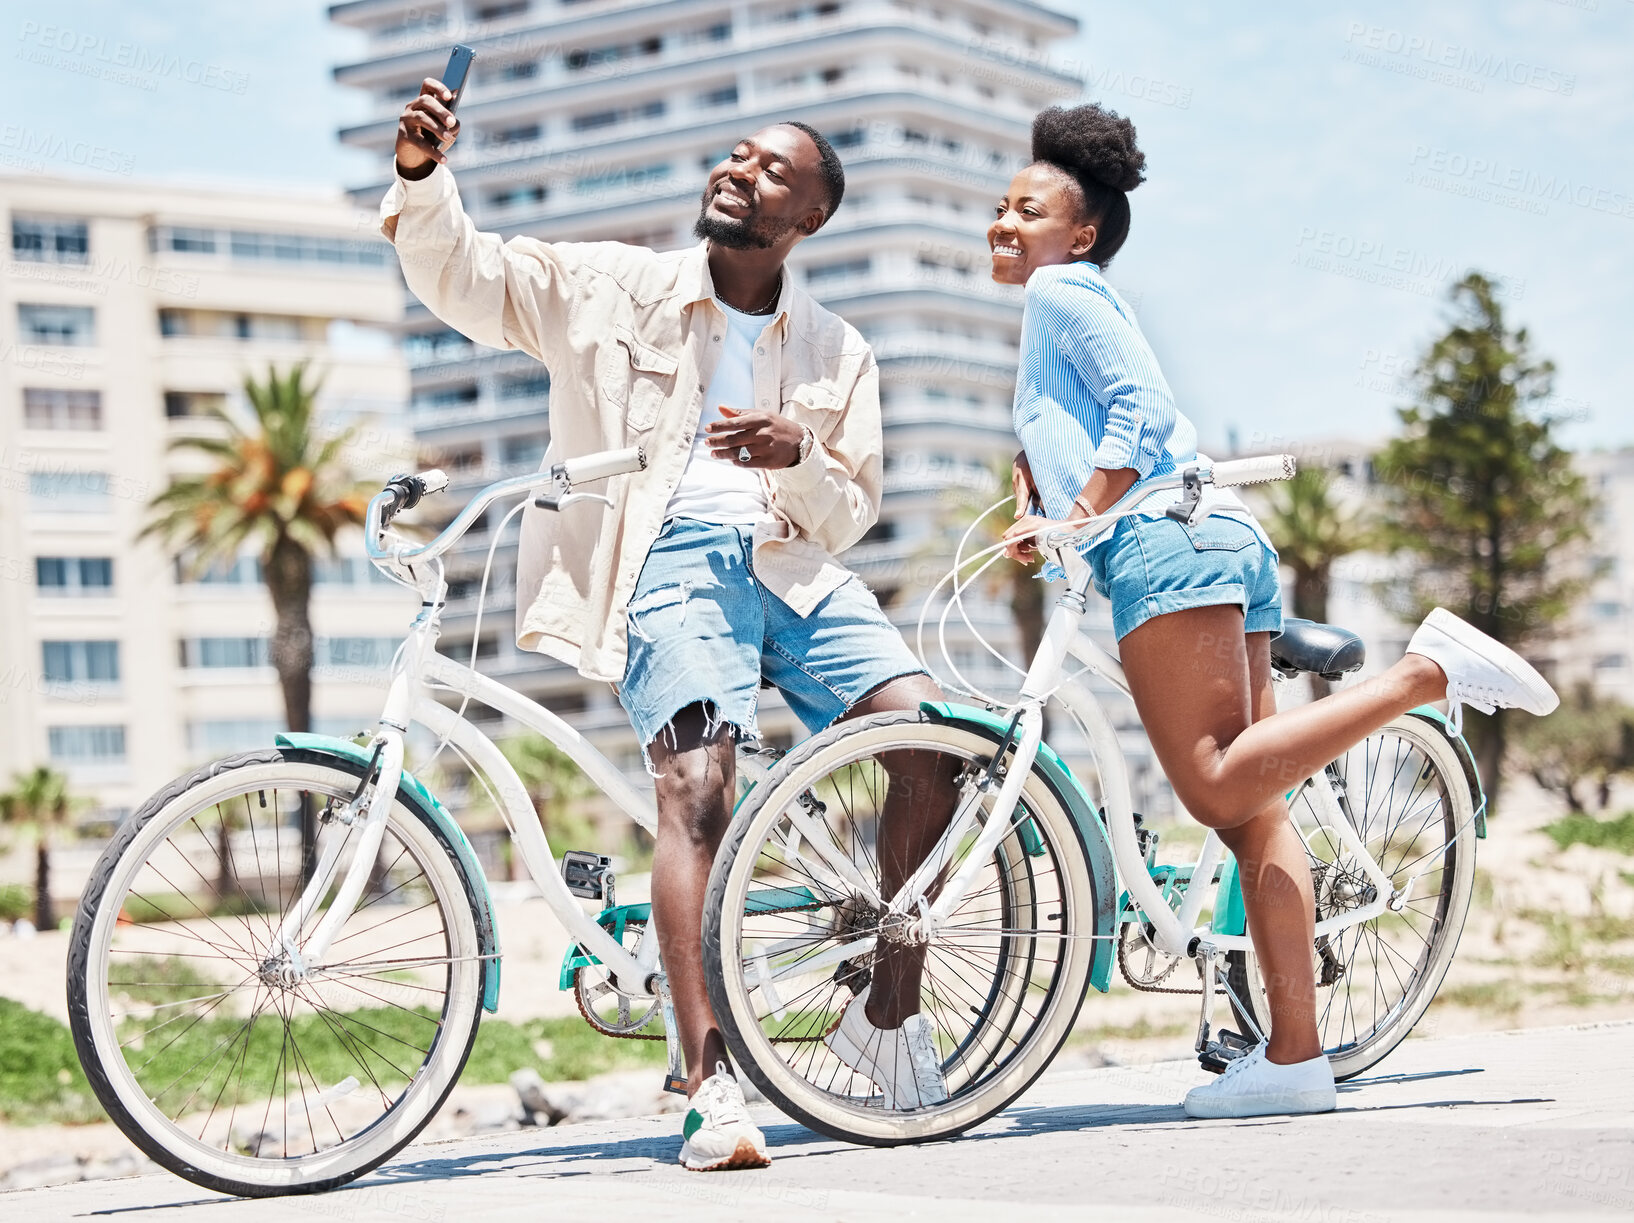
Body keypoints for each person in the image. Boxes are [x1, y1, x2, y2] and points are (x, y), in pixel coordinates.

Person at [383, 80, 951, 1170]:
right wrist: (421, 175)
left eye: (773, 169)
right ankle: (709, 1082)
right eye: (735, 154)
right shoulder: (610, 285)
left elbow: (851, 509)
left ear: (810, 216)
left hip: (788, 563)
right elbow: (463, 271)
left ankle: (883, 1020)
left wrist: (800, 454)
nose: (740, 170)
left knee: (927, 742)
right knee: (697, 790)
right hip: (665, 562)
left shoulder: (837, 350)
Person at [990, 104, 1559, 1119]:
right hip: (1210, 535)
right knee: (1254, 809)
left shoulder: (1057, 290)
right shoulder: (1061, 298)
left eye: (1025, 209)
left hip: (1168, 541)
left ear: (1076, 233)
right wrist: (1046, 521)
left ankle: (1418, 675)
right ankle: (1293, 1058)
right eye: (1000, 206)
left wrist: (1080, 510)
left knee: (1211, 786)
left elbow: (1143, 411)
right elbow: (1112, 430)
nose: (1002, 222)